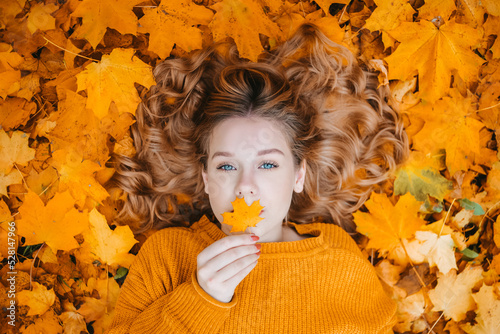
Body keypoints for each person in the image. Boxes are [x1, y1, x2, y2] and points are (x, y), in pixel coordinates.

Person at [105, 23, 409, 333]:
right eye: (226, 166)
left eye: (267, 165)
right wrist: (201, 298)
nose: (245, 186)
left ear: (298, 175)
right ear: (206, 177)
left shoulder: (339, 260)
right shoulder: (167, 256)